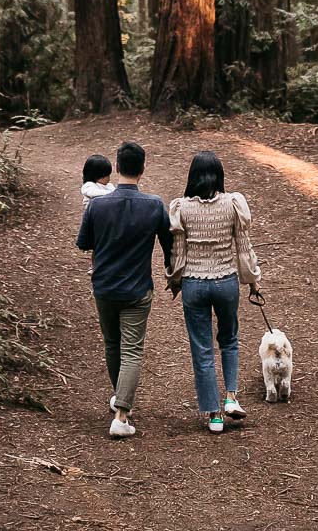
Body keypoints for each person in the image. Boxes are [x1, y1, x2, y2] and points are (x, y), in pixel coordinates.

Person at [75, 141, 173, 439]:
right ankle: (121, 413)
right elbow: (170, 246)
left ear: (117, 167)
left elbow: (83, 243)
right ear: (143, 169)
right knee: (131, 350)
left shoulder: (97, 205)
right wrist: (173, 274)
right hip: (137, 289)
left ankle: (120, 398)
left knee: (112, 344)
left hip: (104, 287)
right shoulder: (154, 205)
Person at [166, 150, 261, 433]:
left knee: (202, 348)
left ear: (192, 176)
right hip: (226, 282)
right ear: (219, 175)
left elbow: (178, 255)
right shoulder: (233, 204)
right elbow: (243, 249)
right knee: (229, 339)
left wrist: (175, 281)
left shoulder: (181, 208)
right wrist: (253, 282)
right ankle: (231, 397)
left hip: (194, 284)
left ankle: (214, 415)